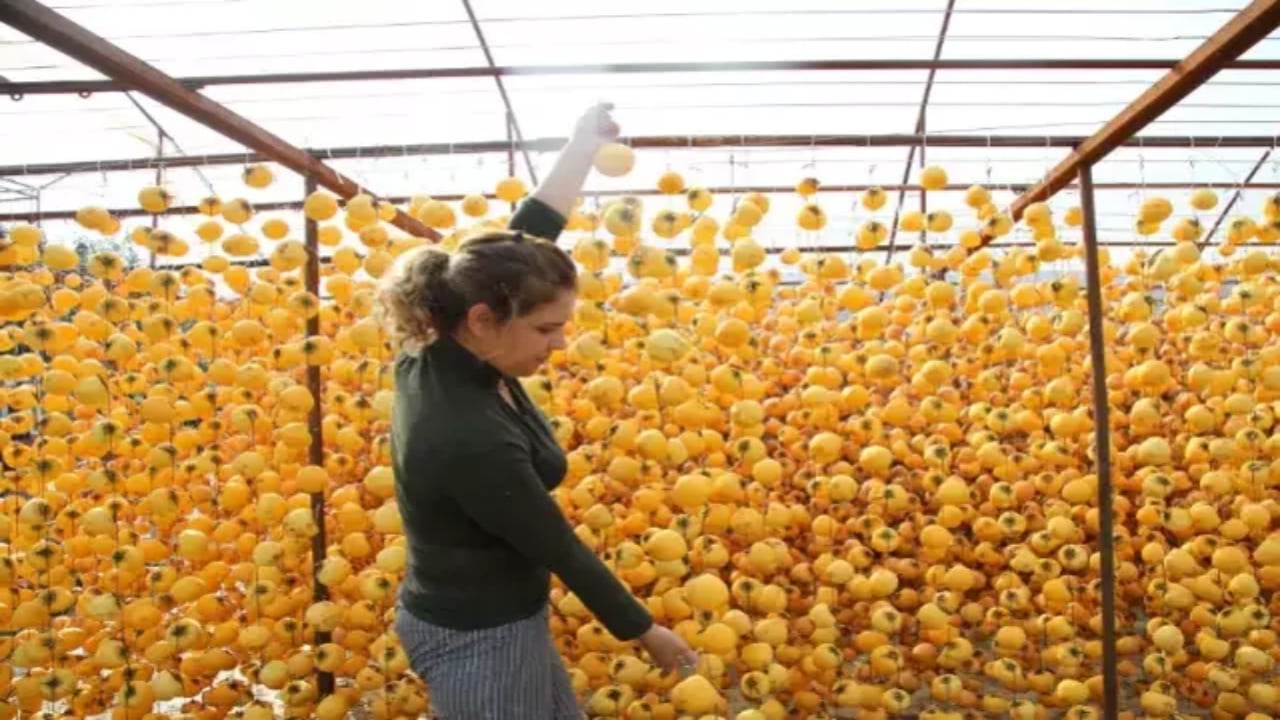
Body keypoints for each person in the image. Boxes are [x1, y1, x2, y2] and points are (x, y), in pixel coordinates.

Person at [377, 104, 698, 719]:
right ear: (482, 320)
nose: (559, 343)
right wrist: (644, 631)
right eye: (547, 328)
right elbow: (559, 545)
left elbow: (523, 239)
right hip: (478, 636)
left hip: (500, 617)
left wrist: (582, 147)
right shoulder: (465, 435)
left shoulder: (437, 336)